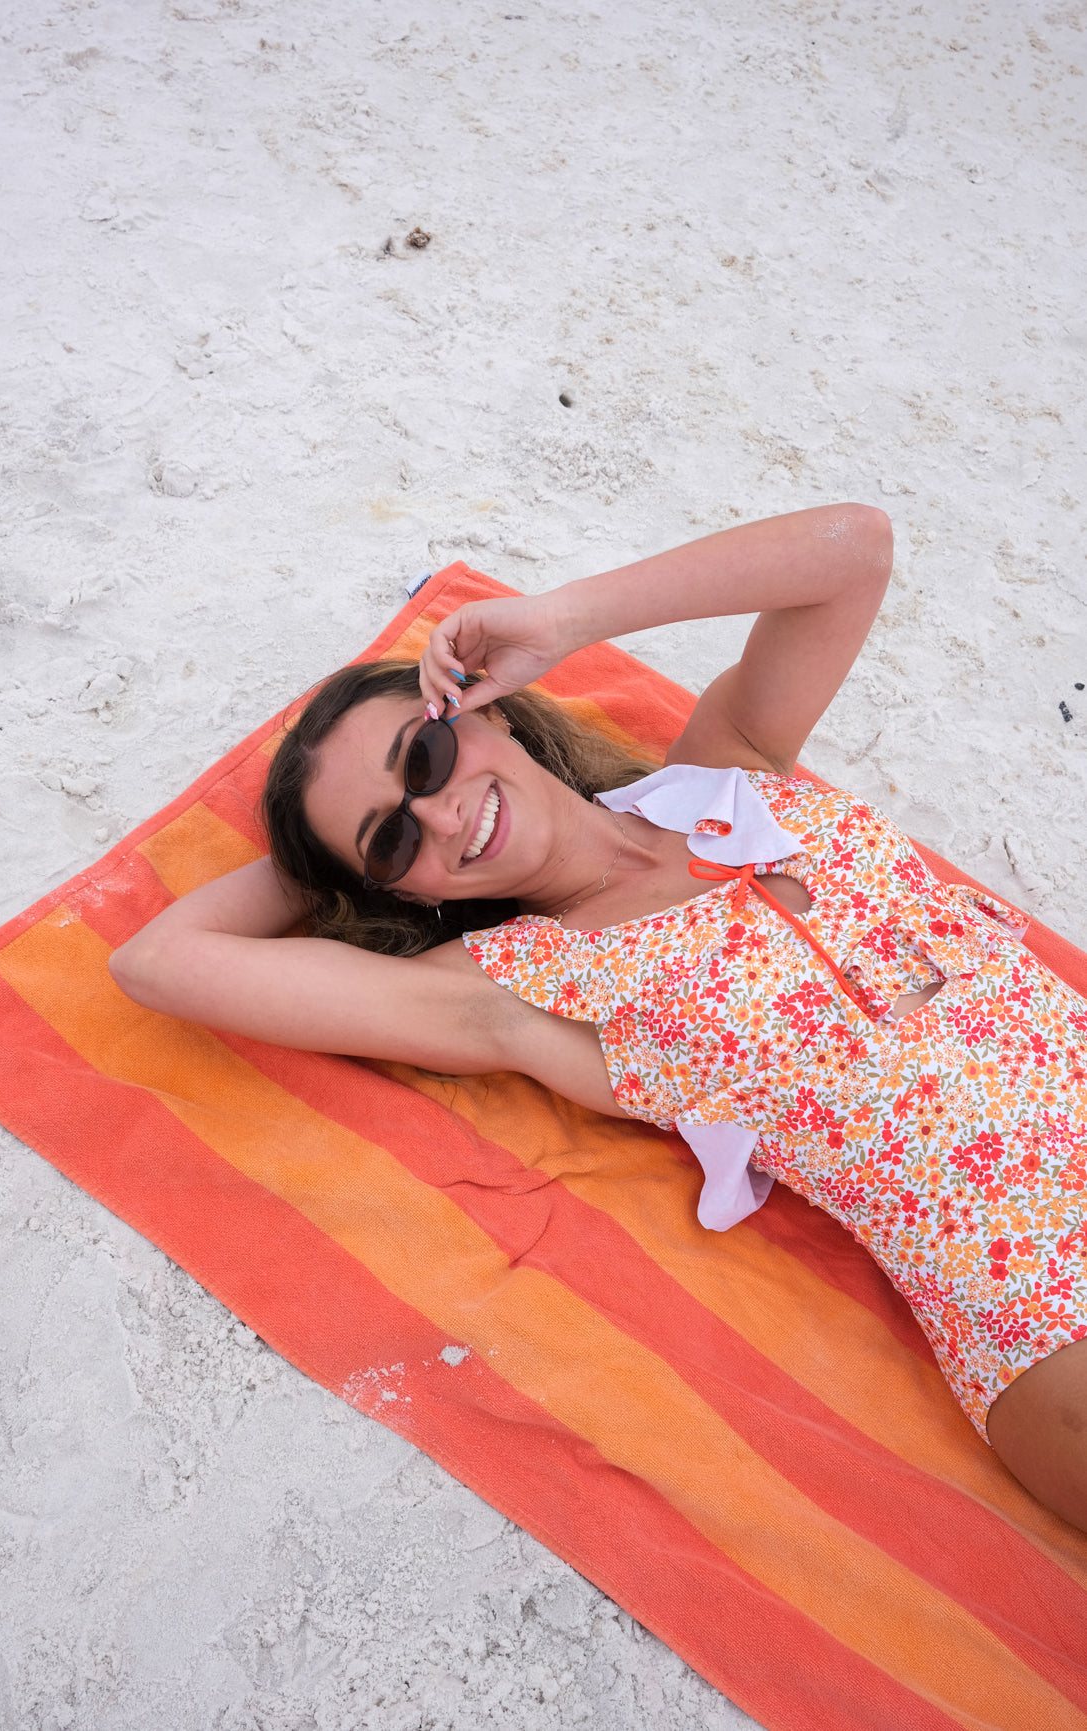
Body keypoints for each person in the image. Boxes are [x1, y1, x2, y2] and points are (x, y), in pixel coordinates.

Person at [109, 504, 1087, 1531]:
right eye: (391, 840)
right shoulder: (514, 991)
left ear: (483, 709)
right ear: (397, 891)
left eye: (424, 762)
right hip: (1043, 1311)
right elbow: (158, 962)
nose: (440, 814)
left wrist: (565, 617)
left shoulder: (728, 767)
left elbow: (852, 550)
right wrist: (327, 865)